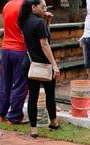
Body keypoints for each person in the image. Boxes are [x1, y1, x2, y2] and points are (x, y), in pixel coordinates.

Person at [18, 0, 60, 138]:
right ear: (33, 7)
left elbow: (40, 37)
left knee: (33, 96)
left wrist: (46, 21)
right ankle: (54, 122)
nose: (44, 9)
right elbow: (45, 43)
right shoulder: (39, 22)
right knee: (50, 95)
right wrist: (54, 64)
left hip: (30, 63)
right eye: (42, 7)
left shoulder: (24, 21)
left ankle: (33, 129)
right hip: (43, 64)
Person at [0, 0, 28, 125]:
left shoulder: (8, 5)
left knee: (5, 82)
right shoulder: (27, 6)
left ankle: (1, 114)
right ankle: (14, 116)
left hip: (6, 48)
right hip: (20, 49)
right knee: (20, 84)